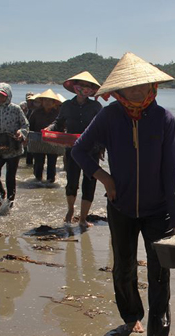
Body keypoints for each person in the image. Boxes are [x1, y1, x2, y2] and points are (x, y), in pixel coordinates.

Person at [71, 53, 175, 336]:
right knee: (123, 268)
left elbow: (171, 170)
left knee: (159, 272)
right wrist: (105, 178)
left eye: (143, 85)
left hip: (158, 211)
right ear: (119, 91)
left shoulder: (164, 119)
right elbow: (79, 150)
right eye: (131, 87)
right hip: (121, 207)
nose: (138, 92)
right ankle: (131, 316)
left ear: (153, 85)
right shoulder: (109, 116)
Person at [47, 71, 103, 227]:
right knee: (72, 181)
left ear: (92, 90)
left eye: (88, 87)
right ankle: (70, 210)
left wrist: (103, 146)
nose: (84, 89)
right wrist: (49, 129)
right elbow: (58, 124)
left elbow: (103, 128)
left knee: (89, 182)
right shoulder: (66, 106)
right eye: (81, 85)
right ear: (75, 87)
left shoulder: (96, 107)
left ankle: (83, 218)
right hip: (72, 149)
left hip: (92, 150)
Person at [28, 89, 61, 183]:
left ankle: (50, 182)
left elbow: (62, 126)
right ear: (42, 101)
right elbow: (30, 126)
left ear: (54, 102)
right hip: (38, 141)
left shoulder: (57, 113)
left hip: (53, 142)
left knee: (52, 163)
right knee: (38, 163)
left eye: (50, 100)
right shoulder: (36, 112)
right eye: (45, 100)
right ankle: (37, 181)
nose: (47, 102)